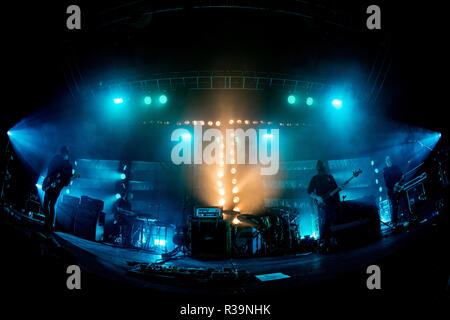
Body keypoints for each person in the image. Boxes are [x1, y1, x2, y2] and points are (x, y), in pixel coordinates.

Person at [307, 160, 341, 251]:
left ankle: (334, 241)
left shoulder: (330, 177)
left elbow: (336, 189)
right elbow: (309, 191)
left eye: (322, 165)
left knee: (334, 221)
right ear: (317, 167)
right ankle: (325, 243)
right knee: (324, 222)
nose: (321, 167)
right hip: (322, 204)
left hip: (332, 203)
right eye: (319, 165)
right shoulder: (315, 178)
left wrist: (338, 191)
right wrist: (318, 198)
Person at [43, 146, 73, 232]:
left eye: (64, 153)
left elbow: (67, 179)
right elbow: (50, 168)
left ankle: (49, 223)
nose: (63, 155)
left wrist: (60, 182)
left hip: (56, 187)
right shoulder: (57, 159)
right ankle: (48, 222)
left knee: (50, 204)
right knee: (47, 204)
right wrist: (49, 179)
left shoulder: (67, 165)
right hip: (52, 185)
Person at [383, 155, 406, 227]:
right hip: (391, 190)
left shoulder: (396, 167)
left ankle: (407, 219)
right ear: (385, 162)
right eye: (387, 160)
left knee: (403, 204)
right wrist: (393, 186)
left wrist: (402, 177)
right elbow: (387, 182)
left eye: (389, 160)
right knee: (395, 206)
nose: (389, 161)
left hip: (399, 189)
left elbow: (401, 176)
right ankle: (394, 222)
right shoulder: (385, 171)